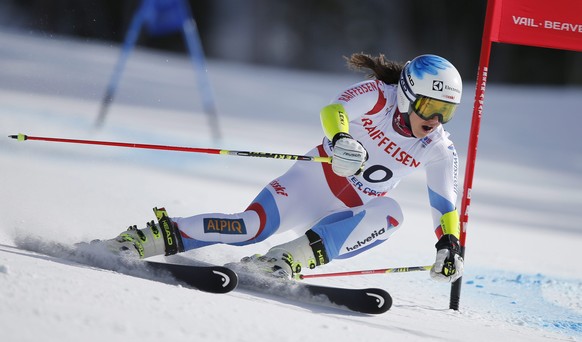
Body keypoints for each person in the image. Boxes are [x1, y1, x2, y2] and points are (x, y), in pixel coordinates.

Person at [104, 53, 464, 283]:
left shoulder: (437, 148)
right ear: (406, 93)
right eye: (430, 106)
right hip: (312, 183)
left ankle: (285, 260)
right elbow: (334, 110)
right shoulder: (379, 96)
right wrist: (340, 140)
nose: (435, 119)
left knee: (390, 213)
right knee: (251, 227)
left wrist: (449, 244)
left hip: (349, 214)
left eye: (446, 111)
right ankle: (146, 238)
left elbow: (445, 204)